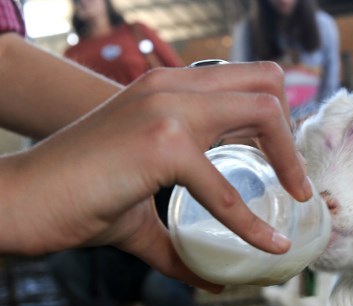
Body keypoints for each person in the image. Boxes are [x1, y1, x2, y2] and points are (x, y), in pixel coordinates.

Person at [0, 0, 311, 291]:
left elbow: (6, 62)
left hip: (157, 154)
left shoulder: (135, 32)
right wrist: (16, 194)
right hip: (112, 166)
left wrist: (193, 127)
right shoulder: (74, 50)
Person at [46, 0, 207, 306]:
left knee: (163, 282)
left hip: (158, 163)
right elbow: (62, 111)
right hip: (99, 171)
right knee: (66, 266)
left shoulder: (138, 34)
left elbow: (179, 77)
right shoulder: (72, 54)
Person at [230, 0, 341, 306]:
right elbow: (238, 88)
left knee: (319, 221)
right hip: (269, 146)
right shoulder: (248, 32)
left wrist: (321, 130)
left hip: (313, 142)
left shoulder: (323, 28)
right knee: (280, 225)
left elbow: (332, 87)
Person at [230, 0, 341, 121]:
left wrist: (322, 119)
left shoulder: (324, 25)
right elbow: (239, 87)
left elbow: (330, 84)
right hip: (269, 125)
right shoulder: (246, 30)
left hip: (315, 120)